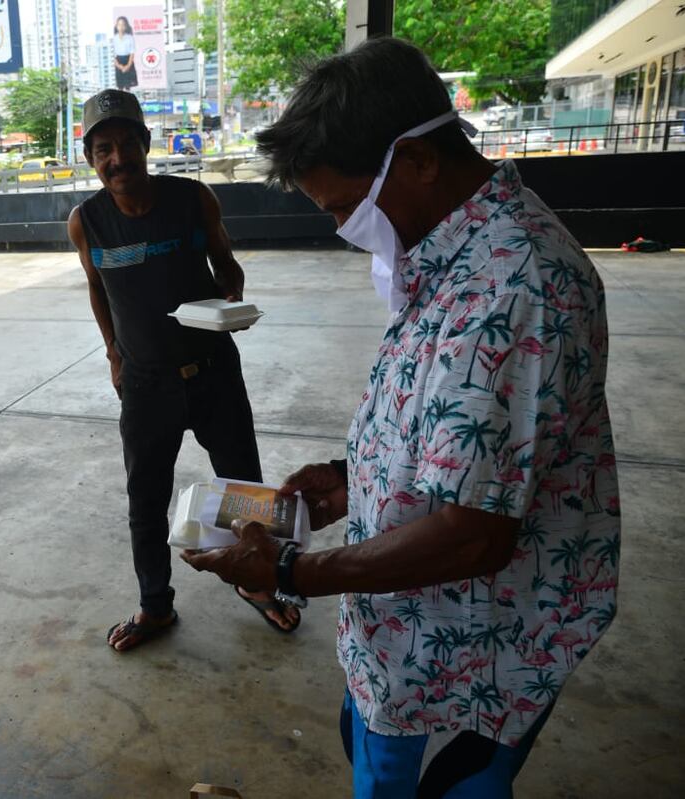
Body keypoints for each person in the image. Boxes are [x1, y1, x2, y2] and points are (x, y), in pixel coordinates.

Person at [181, 38, 619, 796]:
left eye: (347, 205)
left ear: (417, 160)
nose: (343, 227)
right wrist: (358, 478)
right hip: (407, 636)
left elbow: (474, 532)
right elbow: (472, 432)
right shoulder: (455, 248)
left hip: (465, 657)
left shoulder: (516, 287)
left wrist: (289, 570)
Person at [68, 89, 284, 652]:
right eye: (103, 149)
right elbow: (98, 292)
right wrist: (114, 354)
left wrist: (231, 294)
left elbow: (225, 260)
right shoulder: (85, 222)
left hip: (213, 370)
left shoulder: (193, 198)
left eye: (127, 145)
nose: (117, 160)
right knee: (146, 499)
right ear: (91, 156)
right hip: (145, 385)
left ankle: (257, 585)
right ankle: (155, 606)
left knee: (246, 490)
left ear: (146, 144)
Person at [112, 16, 137, 91]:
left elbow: (132, 52)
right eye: (119, 24)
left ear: (126, 26)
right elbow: (113, 55)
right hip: (118, 61)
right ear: (116, 26)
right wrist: (119, 66)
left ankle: (128, 101)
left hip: (128, 60)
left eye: (123, 25)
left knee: (128, 86)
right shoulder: (114, 39)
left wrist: (128, 66)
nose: (121, 27)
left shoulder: (130, 38)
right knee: (120, 86)